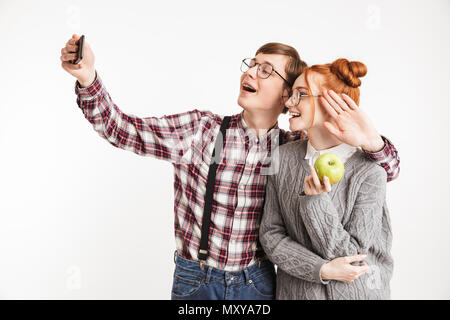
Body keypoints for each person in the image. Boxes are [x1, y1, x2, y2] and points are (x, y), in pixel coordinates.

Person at [60, 34, 399, 300]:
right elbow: (122, 129)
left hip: (260, 282)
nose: (251, 72)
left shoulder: (291, 150)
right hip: (197, 280)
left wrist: (372, 141)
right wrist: (89, 78)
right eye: (252, 64)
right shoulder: (201, 131)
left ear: (286, 96)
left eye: (266, 70)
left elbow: (383, 171)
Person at [260, 58, 393, 299]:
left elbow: (352, 254)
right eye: (291, 94)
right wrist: (320, 269)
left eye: (301, 94)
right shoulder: (282, 158)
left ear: (333, 103)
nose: (289, 102)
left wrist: (314, 202)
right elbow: (271, 236)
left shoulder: (370, 172)